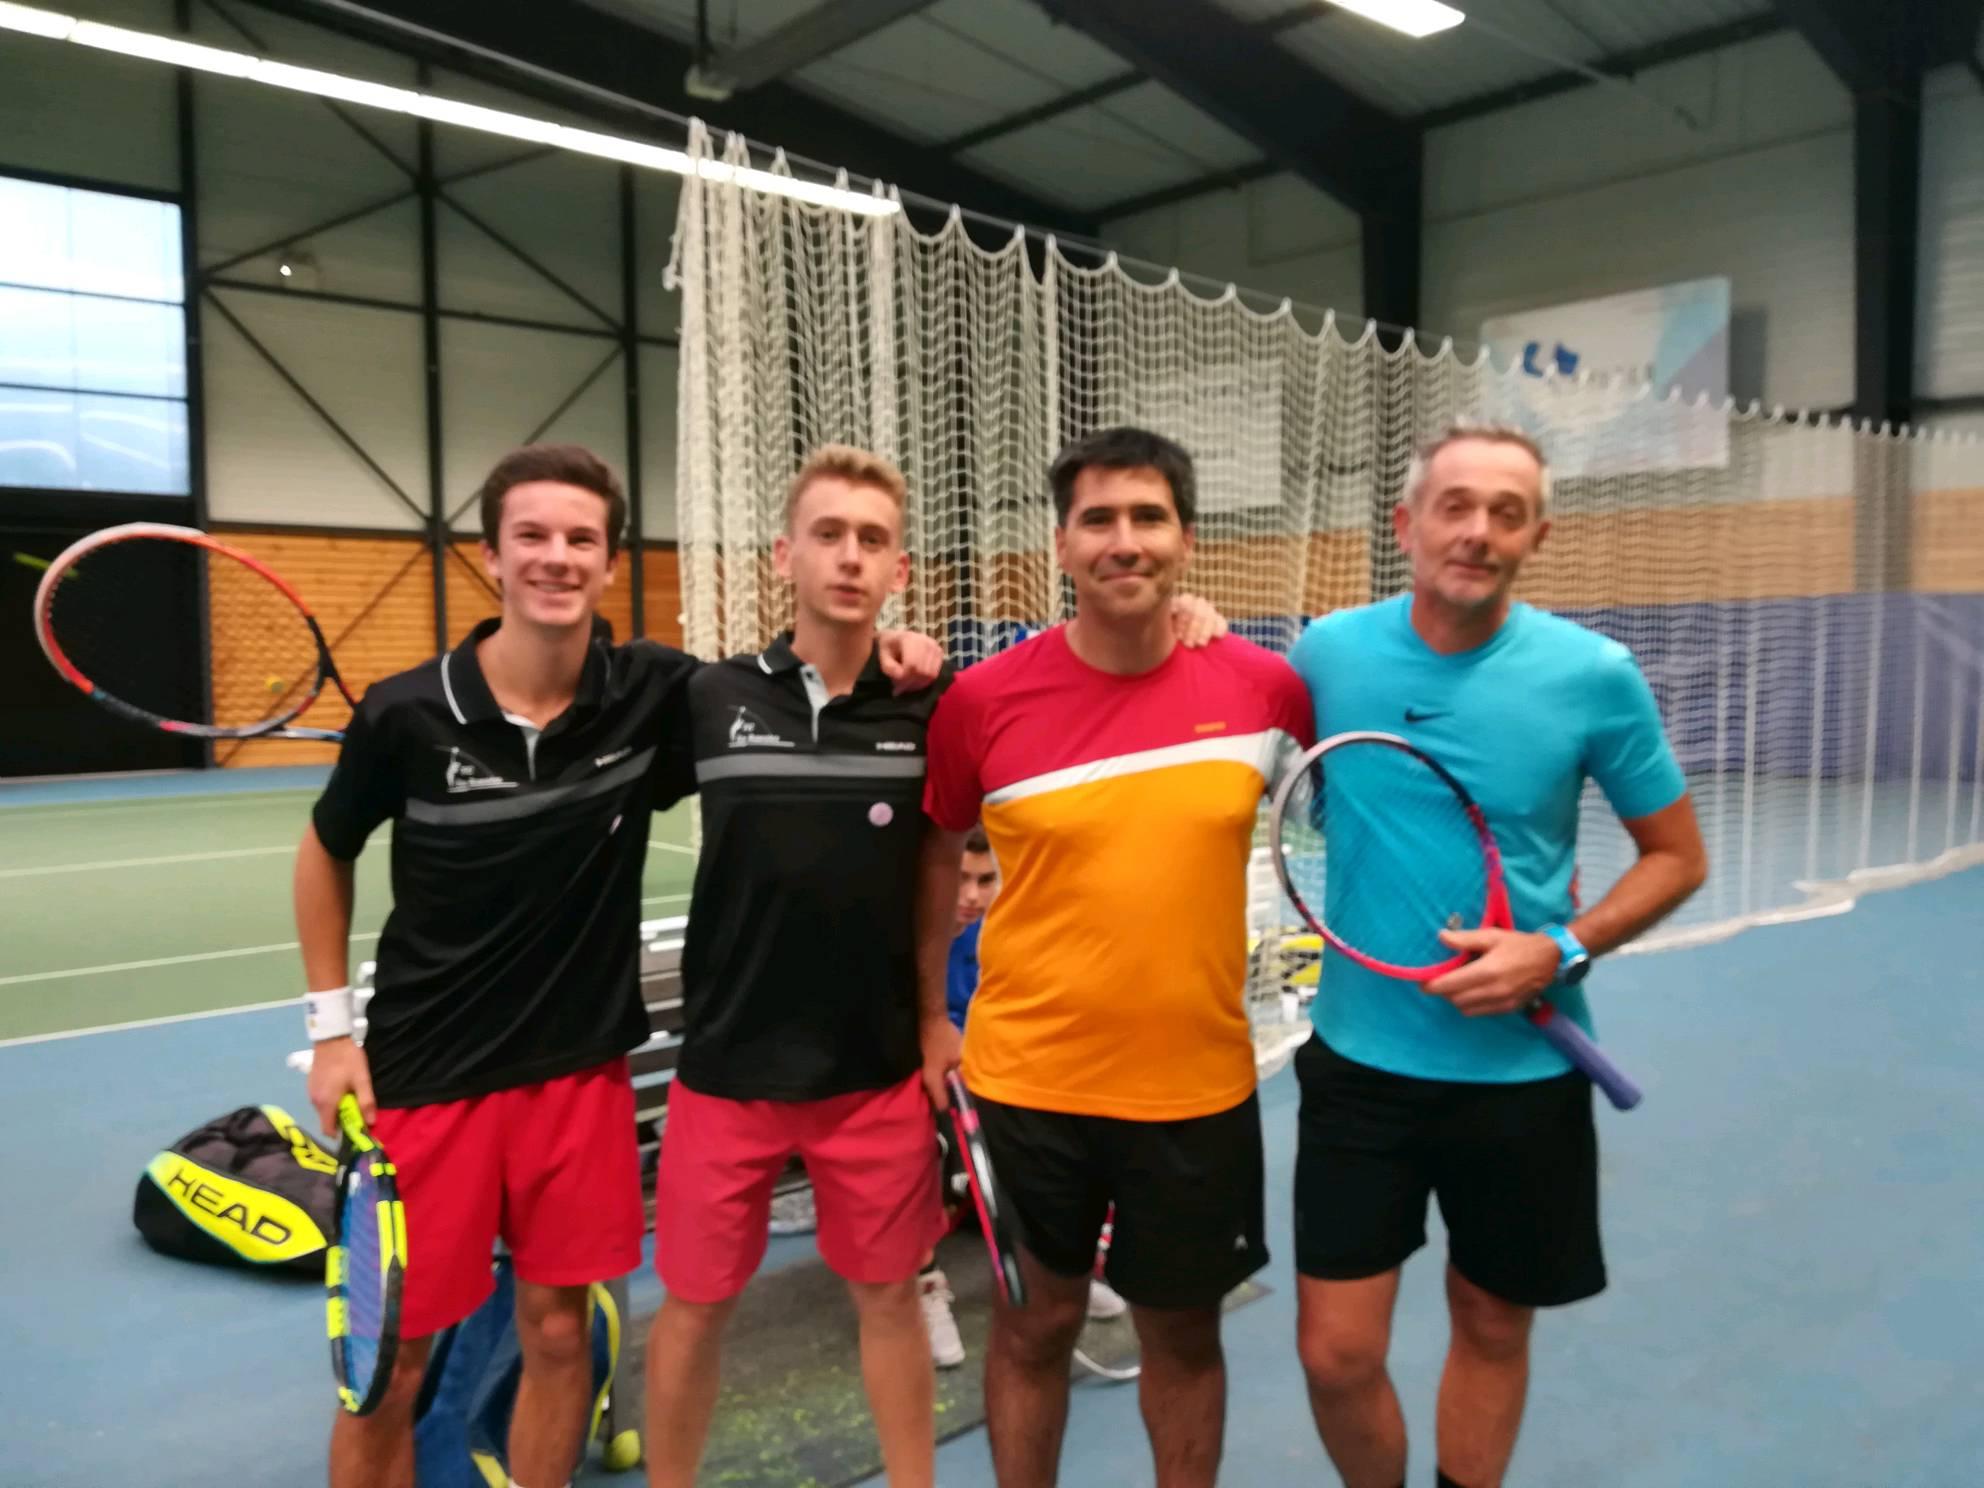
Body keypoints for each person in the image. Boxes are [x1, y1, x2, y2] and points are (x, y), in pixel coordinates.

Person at [294, 442, 940, 1488]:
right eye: (532, 536)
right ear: (490, 556)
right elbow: (325, 849)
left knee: (561, 1337)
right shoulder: (419, 712)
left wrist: (906, 649)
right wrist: (331, 1031)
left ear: (609, 560)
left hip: (582, 1071)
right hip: (432, 1073)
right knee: (394, 1363)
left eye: (580, 538)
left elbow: (850, 710)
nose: (556, 557)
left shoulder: (653, 694)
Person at [1282, 425, 1709, 1488]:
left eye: (1506, 514)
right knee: (1335, 1355)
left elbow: (1677, 857)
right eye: (1455, 506)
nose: (1477, 531)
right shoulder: (1327, 653)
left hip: (1521, 1078)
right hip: (1359, 1070)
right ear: (1406, 526)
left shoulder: (1593, 675)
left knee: (1490, 1324)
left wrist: (1556, 949)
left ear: (1536, 538)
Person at [916, 425, 1314, 1488]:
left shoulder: (1264, 688)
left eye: (1148, 517)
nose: (1123, 540)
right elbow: (935, 854)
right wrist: (929, 1017)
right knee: (1034, 1326)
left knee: (1182, 1335)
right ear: (1061, 544)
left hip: (1196, 1086)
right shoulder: (981, 701)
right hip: (1029, 1084)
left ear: (1186, 540)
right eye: (1098, 519)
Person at [925, 825, 1127, 1373]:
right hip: (925, 1078)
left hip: (995, 1070)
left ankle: (1062, 1269)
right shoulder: (915, 932)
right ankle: (925, 1285)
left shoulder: (1006, 929)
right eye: (961, 880)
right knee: (918, 1144)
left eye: (985, 880)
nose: (971, 896)